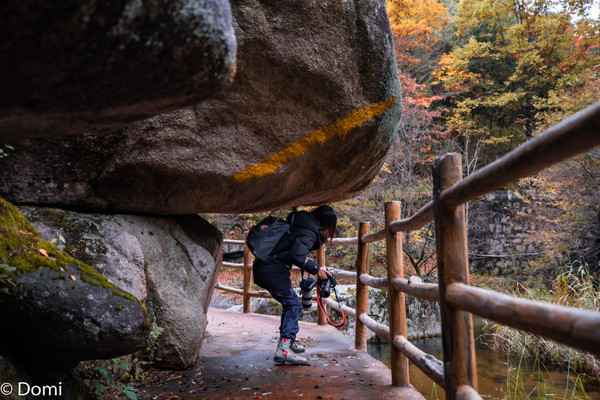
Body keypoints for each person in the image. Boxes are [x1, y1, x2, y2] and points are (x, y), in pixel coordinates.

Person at [252, 205, 337, 365]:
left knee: (290, 304)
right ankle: (284, 350)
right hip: (271, 269)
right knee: (293, 305)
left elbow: (293, 252)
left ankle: (288, 342)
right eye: (331, 229)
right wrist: (316, 269)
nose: (329, 234)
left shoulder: (301, 224)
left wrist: (316, 268)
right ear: (327, 225)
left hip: (266, 266)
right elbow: (298, 255)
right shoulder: (309, 231)